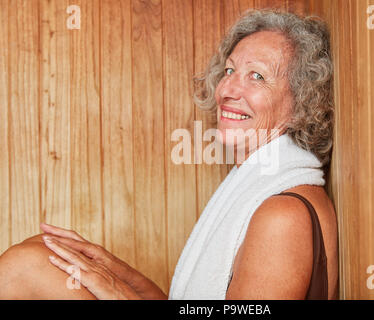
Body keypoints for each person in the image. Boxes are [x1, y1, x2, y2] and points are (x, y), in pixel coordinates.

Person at [0, 9, 337, 300]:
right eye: (231, 71)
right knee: (44, 251)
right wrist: (115, 271)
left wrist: (118, 293)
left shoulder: (282, 217)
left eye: (257, 76)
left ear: (302, 103)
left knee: (26, 268)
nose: (228, 89)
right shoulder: (264, 188)